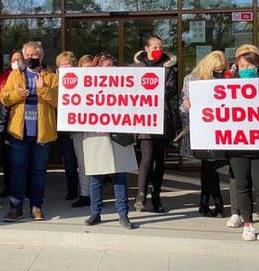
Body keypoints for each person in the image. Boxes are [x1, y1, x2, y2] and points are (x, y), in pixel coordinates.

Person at [75, 52, 137, 229]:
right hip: (96, 135)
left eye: (111, 64)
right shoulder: (87, 87)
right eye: (105, 65)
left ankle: (123, 214)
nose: (109, 68)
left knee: (119, 175)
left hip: (117, 134)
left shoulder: (124, 85)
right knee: (96, 176)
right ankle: (95, 213)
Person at [0, 41, 58, 222]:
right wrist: (19, 95)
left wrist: (43, 89)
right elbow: (4, 98)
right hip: (19, 133)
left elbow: (58, 101)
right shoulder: (15, 75)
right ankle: (15, 208)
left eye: (34, 55)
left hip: (42, 133)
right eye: (28, 55)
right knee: (17, 171)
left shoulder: (52, 76)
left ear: (41, 56)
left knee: (38, 172)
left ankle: (36, 207)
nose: (30, 58)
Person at [132, 35, 178, 212]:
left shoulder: (169, 68)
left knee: (159, 161)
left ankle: (156, 197)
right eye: (155, 46)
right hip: (145, 119)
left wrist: (155, 93)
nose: (159, 49)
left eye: (161, 46)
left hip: (162, 119)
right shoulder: (136, 68)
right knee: (147, 157)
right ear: (146, 48)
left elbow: (171, 89)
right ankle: (141, 195)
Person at [180, 51, 228, 217]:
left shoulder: (225, 79)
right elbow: (182, 106)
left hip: (218, 130)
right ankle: (215, 202)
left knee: (210, 167)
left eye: (222, 69)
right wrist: (186, 107)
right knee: (209, 166)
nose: (219, 72)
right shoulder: (192, 79)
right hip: (200, 129)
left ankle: (207, 202)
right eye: (217, 69)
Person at [226, 44, 259, 228]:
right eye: (242, 67)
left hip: (257, 145)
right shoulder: (227, 87)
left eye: (250, 66)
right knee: (242, 185)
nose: (246, 70)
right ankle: (247, 224)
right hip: (238, 144)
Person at [0, 50, 24, 197]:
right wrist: (8, 83)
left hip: (22, 121)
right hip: (6, 121)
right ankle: (8, 186)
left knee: (22, 159)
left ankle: (24, 187)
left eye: (19, 58)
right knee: (7, 157)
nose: (16, 61)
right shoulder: (6, 74)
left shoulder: (28, 73)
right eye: (14, 59)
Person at [55, 51, 83, 206]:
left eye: (68, 63)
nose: (66, 66)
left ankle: (86, 191)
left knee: (83, 163)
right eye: (62, 64)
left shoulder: (82, 81)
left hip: (80, 128)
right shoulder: (55, 82)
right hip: (65, 130)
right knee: (70, 162)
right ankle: (72, 190)